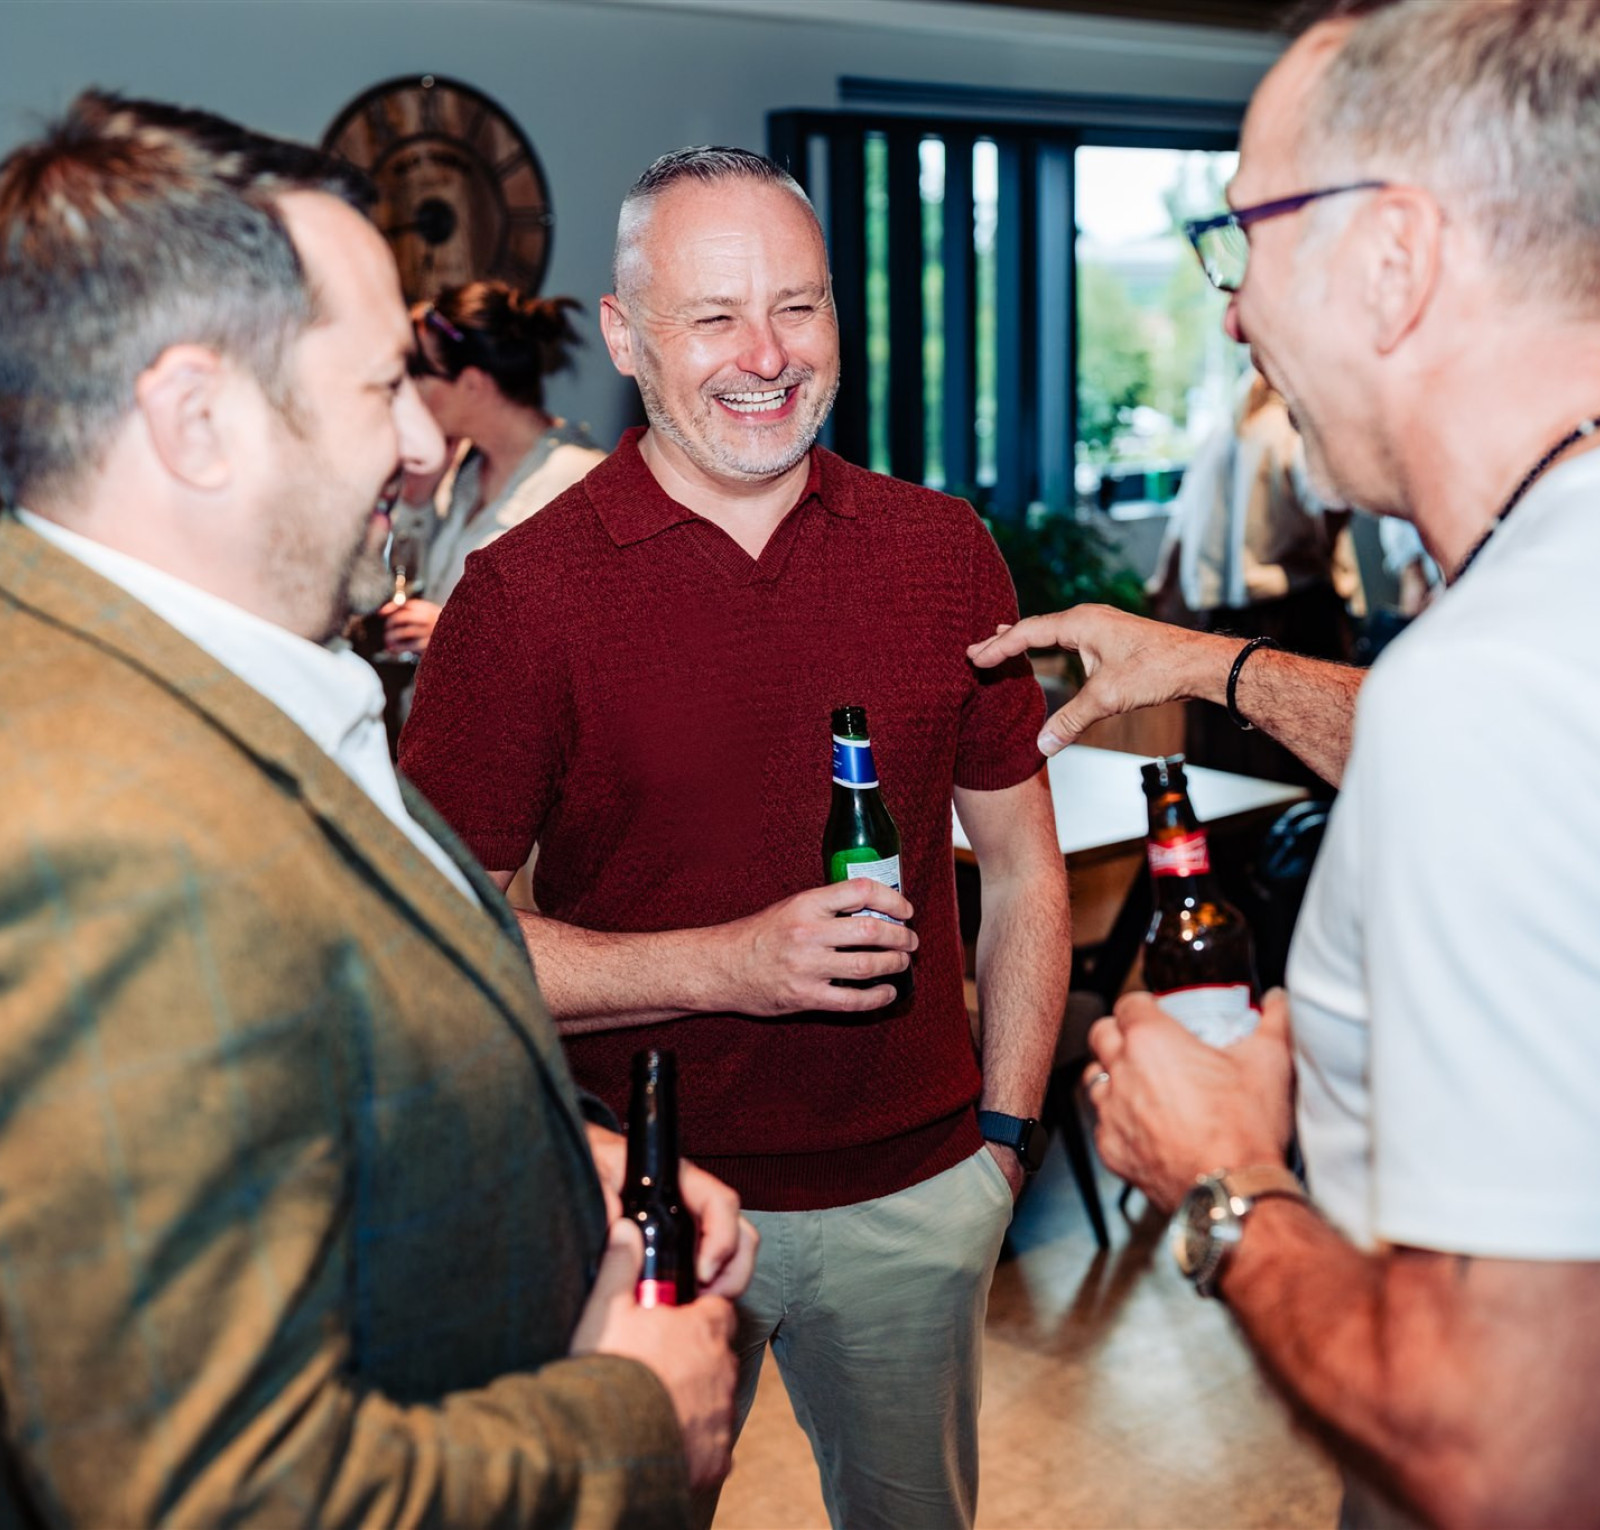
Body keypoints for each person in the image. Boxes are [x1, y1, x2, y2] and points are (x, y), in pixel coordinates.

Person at [0, 91, 756, 1526]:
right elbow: (216, 1494)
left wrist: (547, 1157)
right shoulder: (105, 839)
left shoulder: (218, 672)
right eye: (376, 388)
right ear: (196, 420)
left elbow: (304, 1059)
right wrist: (636, 1417)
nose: (418, 441)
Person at [970, 1, 1600, 1524]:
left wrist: (1224, 1175)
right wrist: (1204, 665)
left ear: (1393, 259)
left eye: (1247, 235)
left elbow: (1505, 1452)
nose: (1235, 313)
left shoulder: (1496, 685)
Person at [400, 146, 1071, 1529]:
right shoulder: (521, 598)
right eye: (713, 316)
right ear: (625, 334)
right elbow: (433, 951)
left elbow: (1021, 865)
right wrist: (731, 962)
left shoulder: (946, 551)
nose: (764, 355)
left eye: (800, 306)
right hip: (639, 1210)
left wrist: (1002, 1136)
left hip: (919, 1199)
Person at [379, 281, 606, 659]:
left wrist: (461, 638)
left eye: (419, 372)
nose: (405, 390)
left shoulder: (582, 486)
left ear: (471, 384)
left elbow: (592, 648)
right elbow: (409, 583)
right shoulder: (466, 464)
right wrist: (417, 501)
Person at [1148, 367, 1350, 787]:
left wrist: (1163, 601)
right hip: (1294, 622)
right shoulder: (1291, 433)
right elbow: (1331, 500)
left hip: (1218, 628)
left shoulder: (1218, 437)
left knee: (1228, 779)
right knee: (1295, 780)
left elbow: (1178, 536)